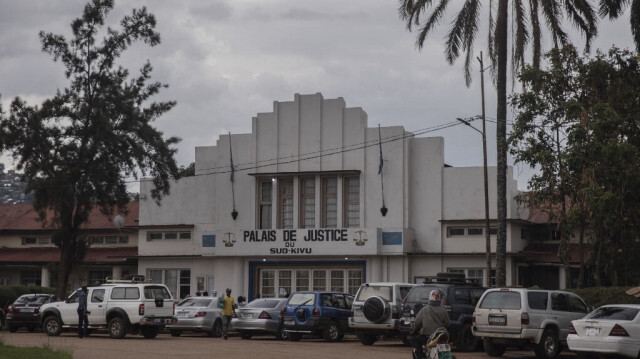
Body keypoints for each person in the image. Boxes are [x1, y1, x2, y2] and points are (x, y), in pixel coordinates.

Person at [413, 289, 450, 359]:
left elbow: (417, 323)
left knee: (416, 341)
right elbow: (448, 324)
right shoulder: (444, 310)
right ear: (439, 298)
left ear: (430, 297)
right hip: (441, 337)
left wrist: (417, 327)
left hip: (427, 337)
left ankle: (421, 357)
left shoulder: (424, 309)